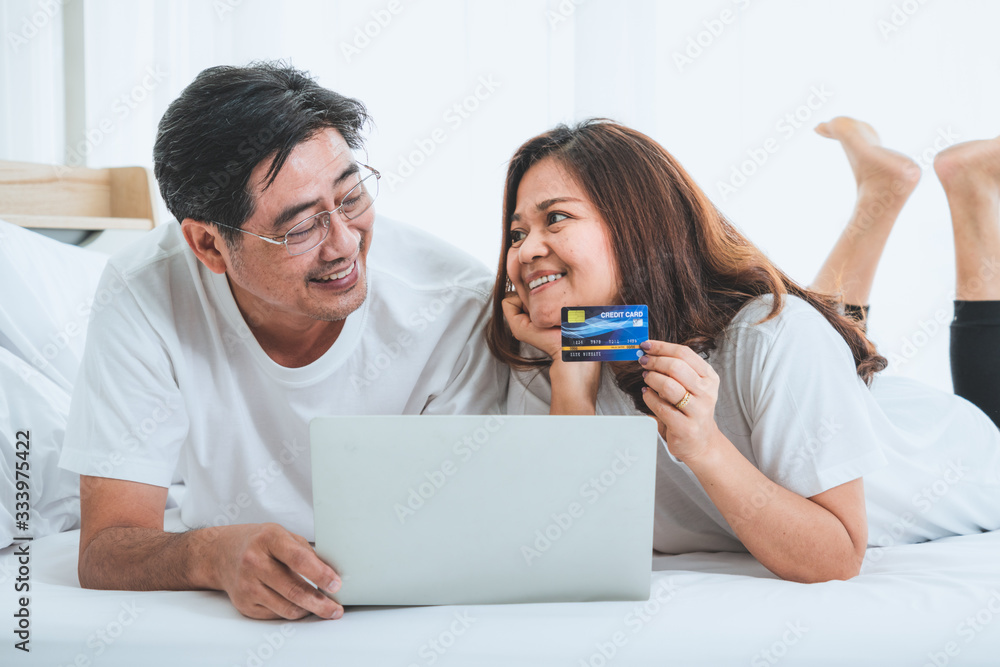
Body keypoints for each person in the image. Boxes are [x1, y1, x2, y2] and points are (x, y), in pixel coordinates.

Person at [58, 63, 507, 621]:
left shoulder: (454, 304)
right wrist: (207, 553)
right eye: (300, 228)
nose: (344, 244)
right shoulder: (144, 294)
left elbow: (477, 530)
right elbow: (105, 548)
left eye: (351, 197)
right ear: (208, 245)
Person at [488, 117, 1000, 583]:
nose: (526, 250)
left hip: (963, 453)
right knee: (806, 337)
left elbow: (838, 555)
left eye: (556, 218)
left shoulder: (777, 333)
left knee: (790, 332)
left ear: (636, 223)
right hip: (837, 391)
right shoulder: (554, 355)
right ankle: (881, 195)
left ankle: (972, 186)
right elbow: (570, 548)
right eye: (516, 232)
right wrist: (571, 369)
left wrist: (705, 447)